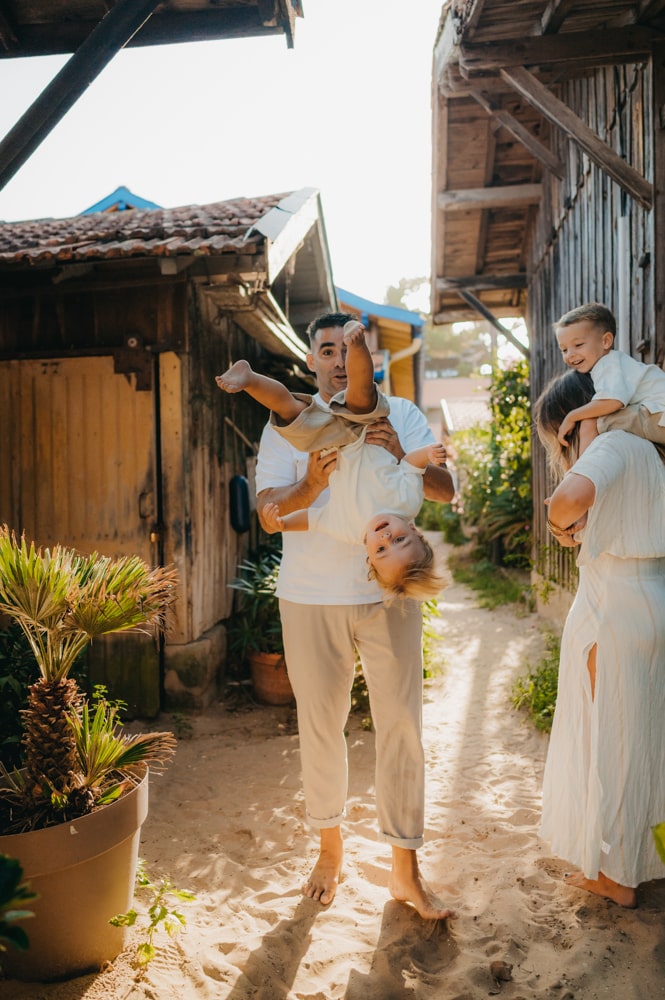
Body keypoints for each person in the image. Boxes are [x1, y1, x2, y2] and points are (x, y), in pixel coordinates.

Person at [253, 311, 457, 919]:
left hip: (388, 594)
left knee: (402, 727)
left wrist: (400, 449)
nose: (340, 360)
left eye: (348, 349)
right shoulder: (289, 427)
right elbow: (269, 513)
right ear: (311, 360)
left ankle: (405, 869)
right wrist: (310, 487)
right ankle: (330, 849)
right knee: (321, 725)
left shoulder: (398, 411)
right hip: (309, 596)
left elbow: (443, 488)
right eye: (328, 350)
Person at [534, 369, 665, 908]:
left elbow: (567, 500)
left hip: (614, 610)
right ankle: (647, 858)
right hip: (652, 598)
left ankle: (615, 877)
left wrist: (557, 522)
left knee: (610, 746)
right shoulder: (649, 453)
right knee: (648, 744)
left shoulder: (609, 447)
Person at [216, 321, 448, 600]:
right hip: (364, 424)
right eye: (400, 539)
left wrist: (285, 523)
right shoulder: (407, 502)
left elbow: (313, 519)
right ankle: (358, 344)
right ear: (414, 531)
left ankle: (250, 378)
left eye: (381, 549)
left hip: (330, 440)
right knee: (361, 395)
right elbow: (413, 465)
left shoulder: (349, 529)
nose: (386, 538)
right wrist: (425, 453)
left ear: (369, 556)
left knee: (289, 409)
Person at [554, 302, 665, 453]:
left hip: (660, 414)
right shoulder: (617, 364)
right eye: (564, 350)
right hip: (658, 416)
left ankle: (584, 467)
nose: (570, 355)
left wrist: (572, 416)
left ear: (606, 341)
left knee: (591, 422)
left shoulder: (607, 364)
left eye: (578, 345)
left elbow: (612, 402)